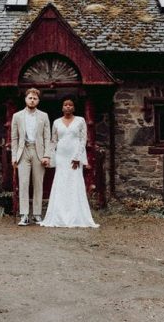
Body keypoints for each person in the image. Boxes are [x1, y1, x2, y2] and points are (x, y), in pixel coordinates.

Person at [39, 98, 99, 228]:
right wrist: (48, 155)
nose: (68, 107)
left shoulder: (80, 120)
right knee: (61, 182)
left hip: (74, 156)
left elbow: (83, 139)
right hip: (61, 156)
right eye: (65, 105)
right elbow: (53, 140)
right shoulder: (56, 122)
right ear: (62, 108)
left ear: (73, 108)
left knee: (74, 182)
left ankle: (75, 215)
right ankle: (59, 215)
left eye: (70, 105)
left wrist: (78, 156)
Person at [10, 88, 51, 226]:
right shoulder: (17, 116)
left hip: (38, 151)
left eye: (35, 98)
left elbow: (47, 137)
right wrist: (14, 156)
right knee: (23, 183)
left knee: (38, 183)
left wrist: (47, 155)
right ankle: (24, 215)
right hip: (23, 151)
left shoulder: (44, 116)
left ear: (38, 101)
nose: (32, 100)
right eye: (30, 98)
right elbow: (14, 138)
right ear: (25, 99)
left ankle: (37, 214)